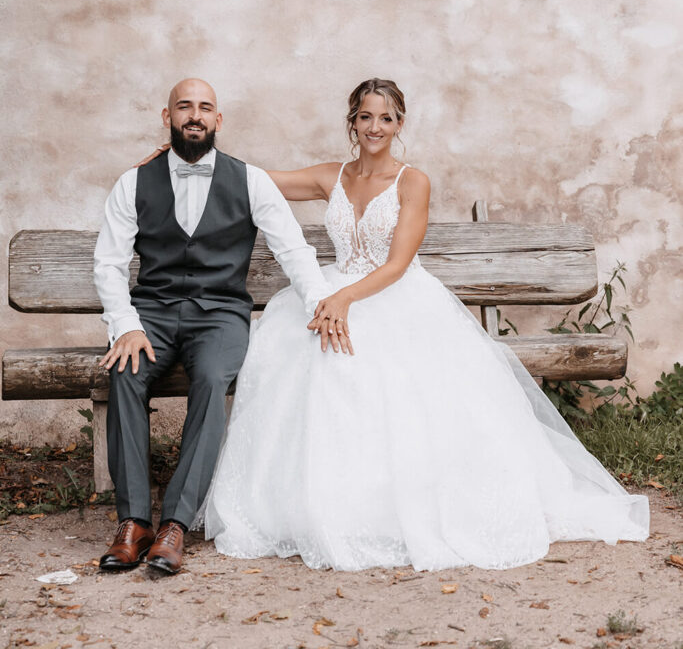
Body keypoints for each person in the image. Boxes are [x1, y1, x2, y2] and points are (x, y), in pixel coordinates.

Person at [197, 77, 649, 571]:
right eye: (366, 116)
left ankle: (398, 508)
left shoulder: (413, 182)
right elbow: (257, 179)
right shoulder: (333, 177)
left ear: (399, 125)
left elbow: (395, 265)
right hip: (336, 290)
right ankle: (315, 504)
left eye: (386, 118)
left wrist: (342, 298)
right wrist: (198, 155)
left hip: (395, 297)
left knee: (383, 376)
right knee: (296, 353)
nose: (375, 127)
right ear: (353, 121)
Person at [93, 78, 330, 575]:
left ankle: (177, 523)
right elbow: (109, 263)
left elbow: (292, 248)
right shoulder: (134, 181)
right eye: (185, 107)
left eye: (205, 108)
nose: (194, 115)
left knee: (213, 378)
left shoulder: (250, 180)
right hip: (151, 312)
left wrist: (322, 304)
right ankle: (134, 523)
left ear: (218, 120)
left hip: (220, 314)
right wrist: (125, 324)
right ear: (168, 117)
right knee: (124, 373)